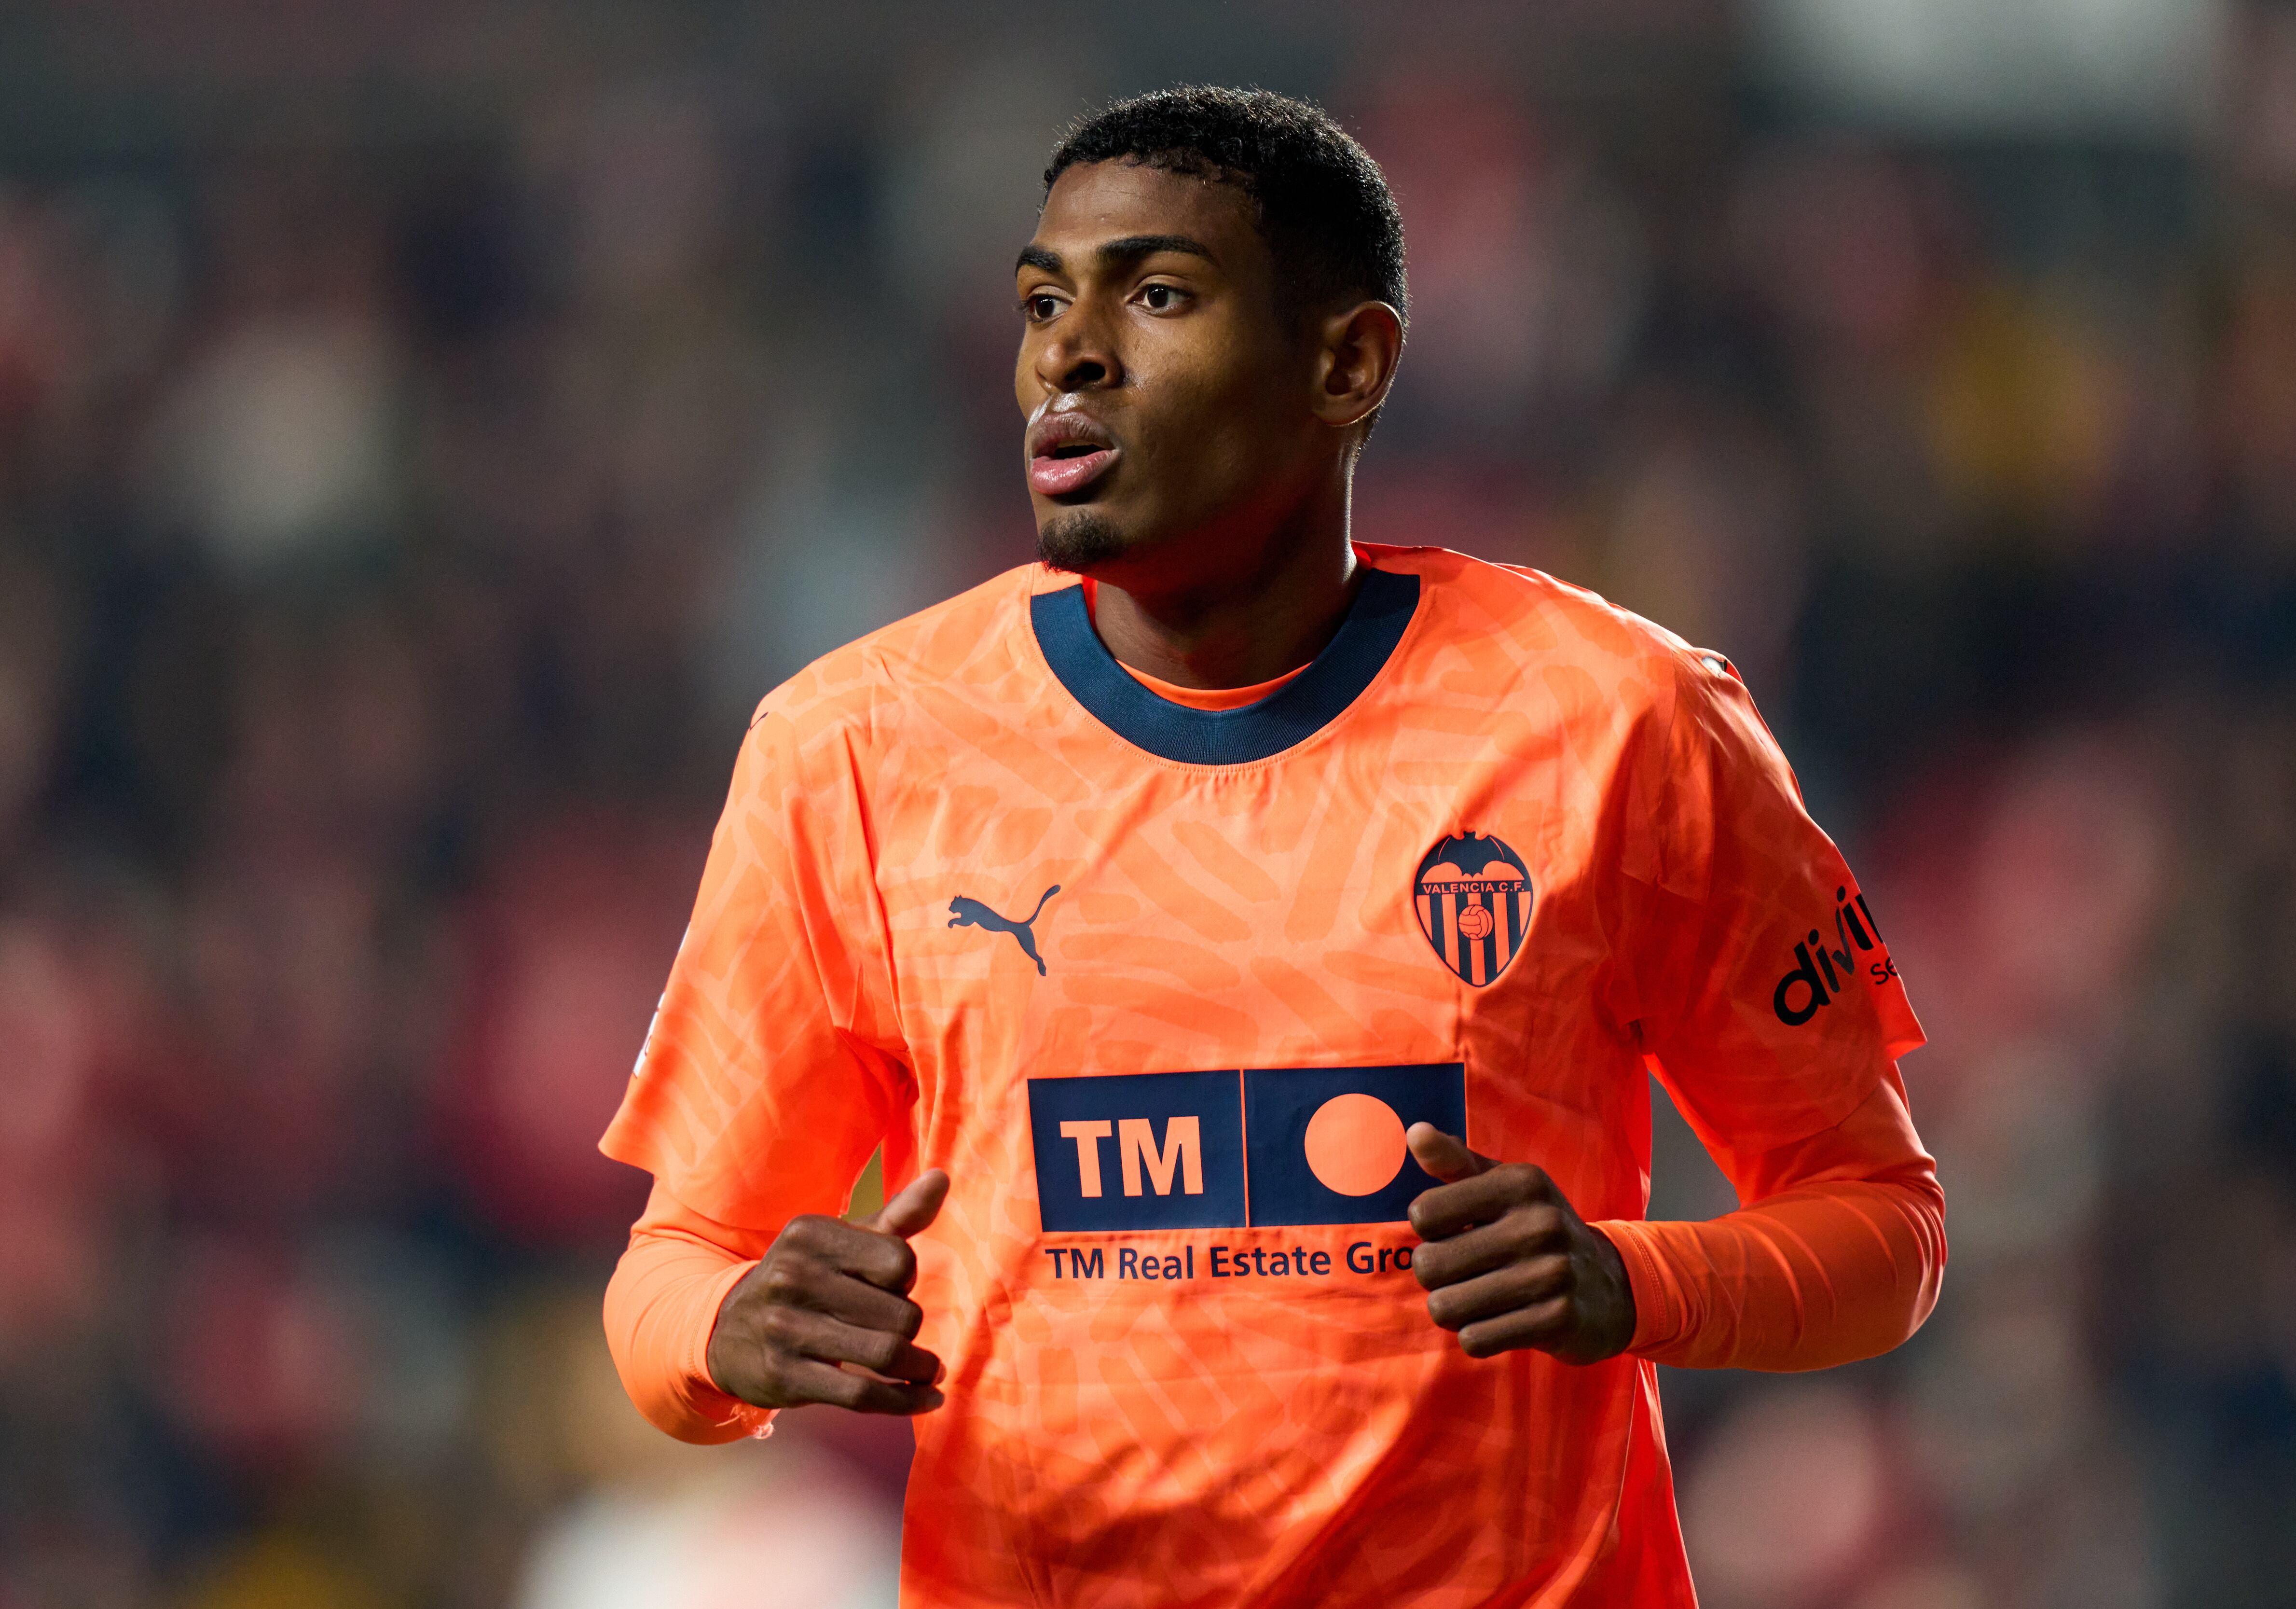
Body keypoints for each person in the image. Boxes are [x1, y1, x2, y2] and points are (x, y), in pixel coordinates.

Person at [598, 86, 1944, 1607]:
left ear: (1347, 363)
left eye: (1157, 296)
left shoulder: (1618, 724)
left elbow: (1886, 1230)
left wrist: (1638, 1280)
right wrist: (726, 1337)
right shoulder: (853, 750)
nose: (1069, 355)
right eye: (1043, 303)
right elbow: (669, 1274)